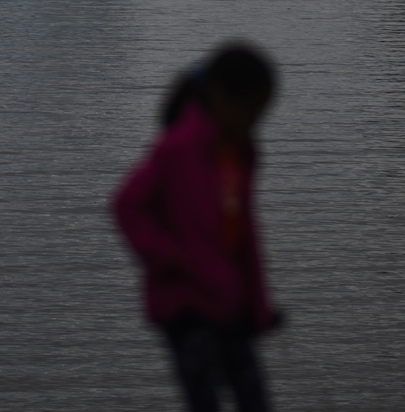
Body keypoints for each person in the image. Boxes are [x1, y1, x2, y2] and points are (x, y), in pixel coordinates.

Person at [113, 43, 281, 412]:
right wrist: (170, 257)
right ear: (220, 98)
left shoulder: (239, 153)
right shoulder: (178, 149)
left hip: (230, 301)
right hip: (186, 306)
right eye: (250, 111)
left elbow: (245, 238)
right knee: (205, 402)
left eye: (261, 113)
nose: (255, 122)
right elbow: (126, 205)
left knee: (254, 397)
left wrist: (260, 306)